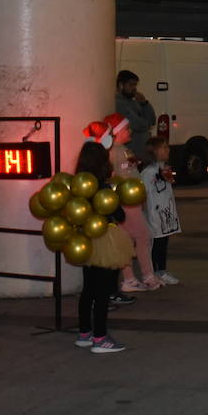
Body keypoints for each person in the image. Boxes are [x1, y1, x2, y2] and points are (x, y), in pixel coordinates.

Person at [87, 113, 164, 294]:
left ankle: (133, 278)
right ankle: (144, 276)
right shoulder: (114, 152)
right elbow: (113, 177)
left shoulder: (123, 149)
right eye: (127, 128)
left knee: (130, 240)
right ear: (118, 131)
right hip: (125, 203)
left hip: (132, 202)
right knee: (142, 236)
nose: (130, 131)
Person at [73, 132, 136, 353]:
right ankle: (100, 338)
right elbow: (118, 215)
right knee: (102, 293)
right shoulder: (101, 187)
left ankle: (84, 334)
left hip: (84, 241)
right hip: (104, 241)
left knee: (88, 289)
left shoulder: (78, 187)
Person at [140, 134, 183, 284]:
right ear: (155, 151)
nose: (168, 150)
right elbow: (143, 194)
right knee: (156, 244)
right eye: (164, 147)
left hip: (166, 212)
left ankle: (161, 270)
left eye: (167, 147)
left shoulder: (164, 168)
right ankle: (153, 272)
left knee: (164, 243)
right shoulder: (147, 173)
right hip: (155, 214)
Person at [115, 70, 156, 166]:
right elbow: (137, 125)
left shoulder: (135, 102)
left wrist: (144, 104)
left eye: (135, 85)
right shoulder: (118, 103)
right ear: (121, 85)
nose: (134, 88)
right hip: (131, 156)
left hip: (143, 155)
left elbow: (152, 120)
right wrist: (146, 123)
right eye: (131, 85)